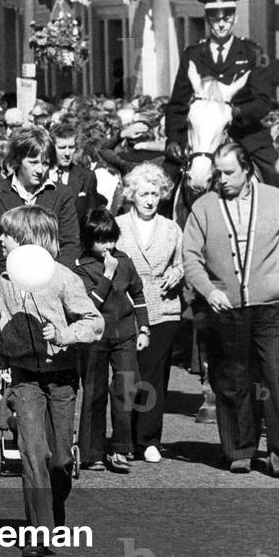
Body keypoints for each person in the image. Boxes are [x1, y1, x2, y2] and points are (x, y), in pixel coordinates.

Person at [0, 206, 103, 557]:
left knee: (60, 459)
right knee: (34, 454)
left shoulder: (64, 278)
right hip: (25, 379)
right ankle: (38, 532)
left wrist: (63, 334)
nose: (0, 240)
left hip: (62, 378)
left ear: (28, 242)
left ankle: (52, 509)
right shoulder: (3, 283)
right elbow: (2, 335)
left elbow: (94, 323)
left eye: (8, 235)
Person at [183, 143, 279, 476]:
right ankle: (240, 449)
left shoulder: (275, 200)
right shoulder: (205, 207)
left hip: (271, 307)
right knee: (232, 377)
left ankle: (278, 451)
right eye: (218, 172)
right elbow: (190, 256)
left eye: (229, 172)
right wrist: (208, 290)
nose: (222, 179)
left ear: (247, 169)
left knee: (274, 376)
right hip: (226, 310)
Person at [164, 0, 279, 186]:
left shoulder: (253, 52)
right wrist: (174, 138)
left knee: (273, 173)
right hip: (200, 135)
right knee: (165, 179)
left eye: (226, 17)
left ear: (235, 18)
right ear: (207, 20)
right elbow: (177, 104)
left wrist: (237, 112)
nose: (221, 24)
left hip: (243, 132)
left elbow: (263, 100)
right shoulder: (192, 55)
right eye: (215, 19)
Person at [0, 127, 81, 318]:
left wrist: (56, 286)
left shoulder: (62, 195)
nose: (40, 169)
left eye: (45, 163)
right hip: (6, 286)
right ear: (18, 160)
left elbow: (70, 243)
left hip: (49, 291)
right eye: (33, 162)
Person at [115, 163, 183, 463]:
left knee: (154, 376)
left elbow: (183, 262)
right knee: (129, 375)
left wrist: (177, 272)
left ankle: (149, 439)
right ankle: (124, 437)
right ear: (132, 194)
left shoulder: (171, 228)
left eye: (155, 193)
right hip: (127, 310)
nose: (150, 200)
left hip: (164, 309)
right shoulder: (117, 225)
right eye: (144, 193)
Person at [73, 209, 149, 473]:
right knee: (94, 391)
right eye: (101, 241)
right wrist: (106, 275)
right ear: (88, 239)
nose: (108, 246)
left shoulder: (124, 261)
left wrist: (144, 329)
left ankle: (121, 447)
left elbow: (138, 294)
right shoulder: (81, 267)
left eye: (112, 239)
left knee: (127, 388)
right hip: (95, 336)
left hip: (125, 334)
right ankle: (91, 451)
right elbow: (89, 304)